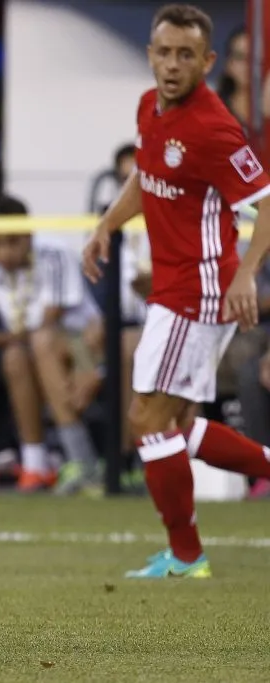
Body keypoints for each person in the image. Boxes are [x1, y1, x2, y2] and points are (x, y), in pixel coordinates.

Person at [82, 4, 270, 579]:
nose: (172, 64)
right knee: (177, 424)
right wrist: (108, 223)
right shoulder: (149, 108)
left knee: (146, 419)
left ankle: (187, 556)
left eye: (186, 55)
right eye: (164, 52)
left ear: (208, 62)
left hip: (198, 289)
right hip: (176, 287)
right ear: (151, 54)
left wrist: (245, 275)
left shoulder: (213, 127)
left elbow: (265, 204)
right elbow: (147, 176)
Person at [0, 197, 102, 495]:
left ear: (28, 235)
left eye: (12, 242)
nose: (4, 253)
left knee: (18, 355)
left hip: (76, 345)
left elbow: (48, 326)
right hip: (22, 342)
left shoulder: (53, 253)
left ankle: (36, 465)